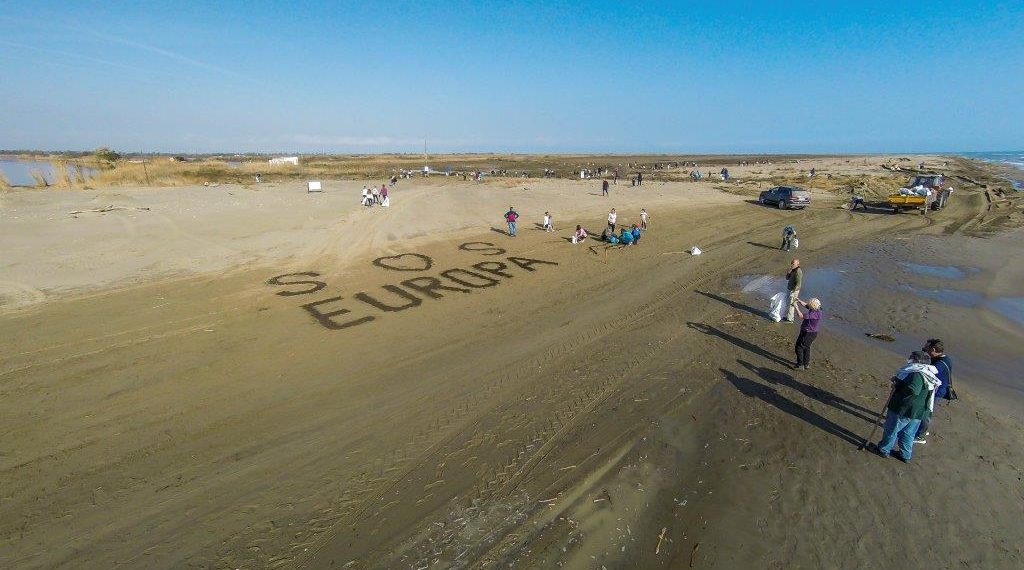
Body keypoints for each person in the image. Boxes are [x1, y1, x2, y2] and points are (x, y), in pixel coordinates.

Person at [868, 351, 942, 463]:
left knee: (891, 429)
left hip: (905, 409)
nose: (909, 359)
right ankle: (905, 455)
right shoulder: (928, 373)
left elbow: (913, 389)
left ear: (918, 361)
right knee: (908, 433)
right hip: (918, 411)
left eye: (912, 358)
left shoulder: (917, 373)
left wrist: (898, 386)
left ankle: (883, 450)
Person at [915, 338, 953, 443]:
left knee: (926, 413)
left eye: (925, 348)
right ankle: (921, 429)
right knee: (924, 411)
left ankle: (920, 436)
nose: (924, 350)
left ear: (933, 350)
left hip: (936, 392)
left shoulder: (940, 363)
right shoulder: (943, 358)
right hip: (935, 389)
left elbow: (929, 371)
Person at [792, 298, 822, 369]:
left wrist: (796, 307)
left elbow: (801, 316)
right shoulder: (819, 309)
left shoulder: (813, 314)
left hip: (808, 333)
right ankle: (806, 364)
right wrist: (799, 300)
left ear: (812, 306)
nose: (808, 304)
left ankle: (800, 364)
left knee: (799, 347)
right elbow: (806, 305)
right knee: (807, 348)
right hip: (812, 332)